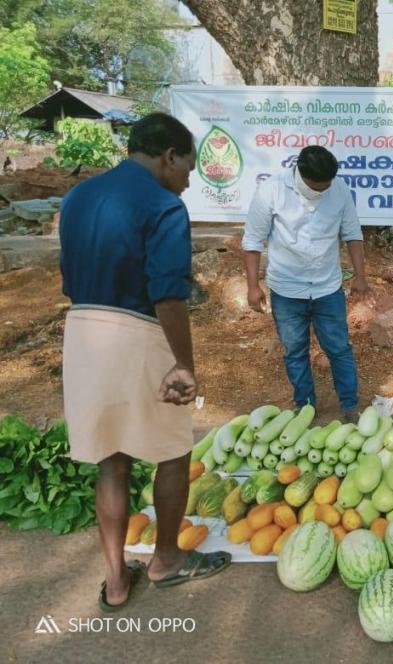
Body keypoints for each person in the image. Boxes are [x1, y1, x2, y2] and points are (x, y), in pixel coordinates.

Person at [60, 113, 231, 612]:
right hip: (137, 331)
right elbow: (169, 295)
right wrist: (184, 365)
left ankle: (115, 582)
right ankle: (166, 561)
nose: (190, 179)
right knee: (174, 451)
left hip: (83, 332)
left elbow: (69, 279)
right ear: (168, 156)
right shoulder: (164, 205)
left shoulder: (78, 198)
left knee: (112, 461)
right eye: (189, 168)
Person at [243, 145, 369, 422]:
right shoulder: (271, 190)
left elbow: (352, 233)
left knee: (339, 348)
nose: (323, 191)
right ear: (300, 173)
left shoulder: (339, 189)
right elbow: (252, 240)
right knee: (295, 350)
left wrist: (360, 277)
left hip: (328, 288)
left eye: (327, 185)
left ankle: (350, 406)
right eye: (317, 187)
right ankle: (306, 407)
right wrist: (253, 286)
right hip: (287, 290)